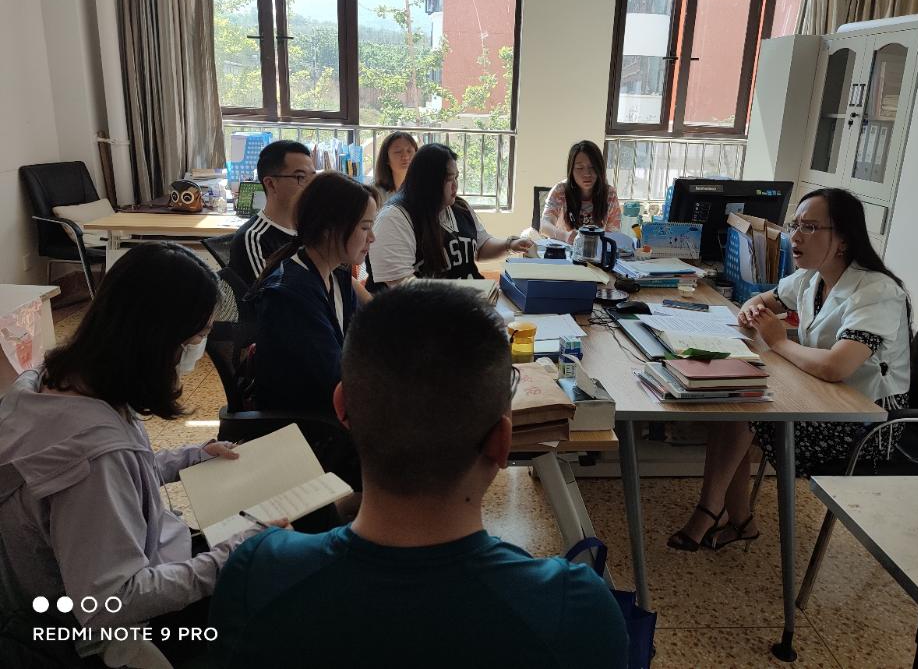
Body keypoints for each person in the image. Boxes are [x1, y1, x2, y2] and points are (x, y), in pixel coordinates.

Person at [209, 284, 628, 668]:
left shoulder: (255, 576)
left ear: (342, 408)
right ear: (502, 443)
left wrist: (274, 552)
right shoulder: (575, 610)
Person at [0, 243, 282, 665]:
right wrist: (232, 557)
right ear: (157, 342)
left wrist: (190, 457)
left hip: (100, 575)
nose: (200, 348)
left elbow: (109, 477)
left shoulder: (52, 381)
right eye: (197, 337)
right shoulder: (97, 458)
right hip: (95, 636)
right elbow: (111, 603)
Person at [668, 188, 911, 551]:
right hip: (823, 395)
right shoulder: (811, 278)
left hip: (868, 421)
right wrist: (752, 311)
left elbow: (836, 366)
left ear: (843, 239)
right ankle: (735, 518)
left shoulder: (876, 291)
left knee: (745, 409)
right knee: (735, 403)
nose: (795, 236)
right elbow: (759, 300)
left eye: (810, 227)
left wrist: (779, 342)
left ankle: (714, 512)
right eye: (795, 225)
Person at [249, 172, 377, 417]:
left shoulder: (337, 276)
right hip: (308, 424)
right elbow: (336, 379)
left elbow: (360, 343)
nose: (372, 237)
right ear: (329, 229)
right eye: (365, 227)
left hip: (331, 409)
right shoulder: (290, 295)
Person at [367, 143, 533, 289]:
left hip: (465, 303)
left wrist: (510, 244)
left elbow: (481, 247)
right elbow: (401, 285)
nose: (455, 185)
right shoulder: (394, 218)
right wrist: (458, 299)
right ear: (428, 181)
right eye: (448, 179)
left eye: (456, 177)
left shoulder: (459, 207)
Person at [229, 139, 372, 305]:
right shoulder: (254, 238)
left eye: (314, 177)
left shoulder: (314, 228)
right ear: (271, 184)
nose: (312, 186)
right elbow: (270, 301)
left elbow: (338, 275)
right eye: (301, 177)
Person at [540, 140, 621, 243]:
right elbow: (544, 226)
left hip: (595, 250)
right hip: (565, 248)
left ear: (600, 169)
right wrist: (565, 236)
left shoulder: (609, 194)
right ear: (571, 170)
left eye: (592, 167)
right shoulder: (560, 191)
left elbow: (613, 234)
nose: (587, 174)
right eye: (580, 168)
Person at [373, 130, 418, 202]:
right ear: (386, 158)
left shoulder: (424, 188)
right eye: (398, 151)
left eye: (409, 151)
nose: (405, 157)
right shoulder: (374, 193)